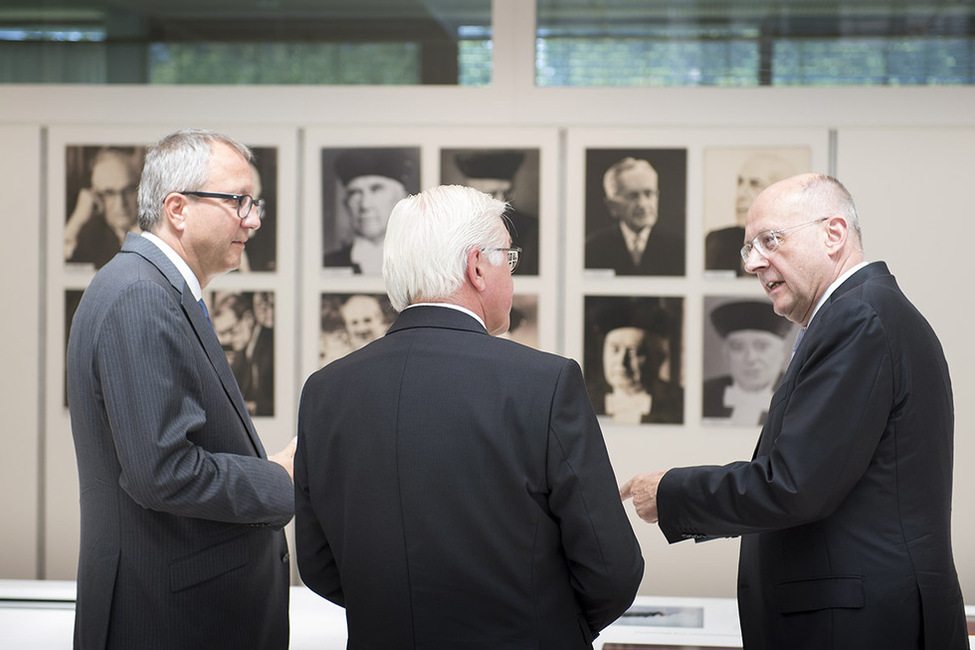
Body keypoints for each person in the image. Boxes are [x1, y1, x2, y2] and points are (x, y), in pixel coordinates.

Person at [621, 173, 968, 649]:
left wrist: (670, 492)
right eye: (748, 248)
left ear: (834, 234)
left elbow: (794, 484)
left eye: (770, 240)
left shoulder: (858, 318)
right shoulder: (866, 313)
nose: (753, 262)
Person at [295, 184, 644, 648]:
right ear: (478, 266)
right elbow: (611, 568)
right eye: (509, 259)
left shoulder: (325, 391)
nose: (512, 276)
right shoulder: (544, 382)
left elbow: (319, 564)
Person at [66, 129, 296, 649]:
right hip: (170, 620)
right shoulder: (140, 298)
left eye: (254, 202)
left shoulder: (148, 289)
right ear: (177, 209)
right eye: (239, 201)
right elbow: (163, 471)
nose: (254, 219)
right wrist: (279, 478)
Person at [587, 300, 683, 425]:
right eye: (615, 349)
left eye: (634, 353)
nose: (621, 363)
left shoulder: (680, 402)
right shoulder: (586, 399)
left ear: (659, 359)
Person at [322, 147, 416, 274]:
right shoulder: (327, 264)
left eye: (376, 189)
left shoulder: (419, 263)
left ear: (402, 199)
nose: (365, 205)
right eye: (355, 193)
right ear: (346, 204)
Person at [585, 156, 684, 276]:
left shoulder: (680, 249)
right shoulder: (592, 250)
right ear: (612, 205)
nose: (643, 204)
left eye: (649, 194)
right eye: (632, 196)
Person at [702, 299, 793, 425]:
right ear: (726, 354)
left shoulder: (800, 394)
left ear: (783, 351)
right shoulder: (704, 393)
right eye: (738, 347)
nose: (750, 358)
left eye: (762, 346)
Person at [705, 152, 796, 276]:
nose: (741, 194)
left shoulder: (794, 244)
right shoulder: (718, 242)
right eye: (740, 182)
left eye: (755, 184)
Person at [453, 149, 540, 275]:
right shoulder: (454, 229)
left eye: (507, 192)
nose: (502, 202)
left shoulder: (532, 230)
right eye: (492, 194)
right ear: (472, 195)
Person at [64, 147, 142, 269]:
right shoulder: (91, 239)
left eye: (128, 190)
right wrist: (77, 221)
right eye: (109, 193)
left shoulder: (159, 234)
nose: (120, 202)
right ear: (96, 197)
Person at [212, 290, 275, 417]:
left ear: (248, 319)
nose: (228, 339)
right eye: (222, 333)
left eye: (231, 330)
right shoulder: (242, 355)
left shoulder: (272, 341)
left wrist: (256, 407)